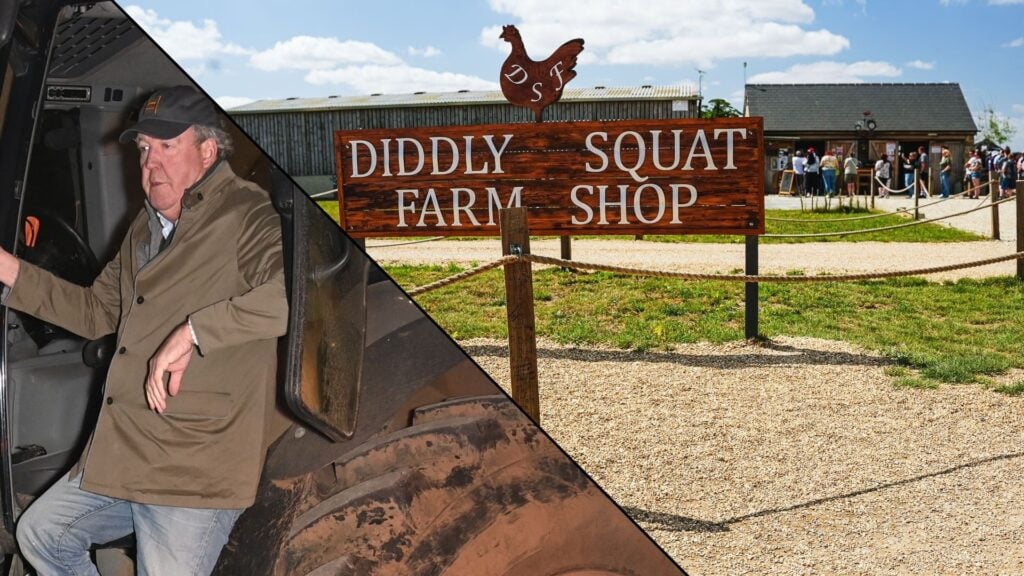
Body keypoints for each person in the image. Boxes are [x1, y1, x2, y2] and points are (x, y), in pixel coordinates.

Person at [0, 86, 288, 575]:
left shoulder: (247, 213)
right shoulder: (146, 227)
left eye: (167, 146)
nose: (151, 162)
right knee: (43, 534)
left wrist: (193, 332)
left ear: (208, 150)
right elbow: (95, 310)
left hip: (193, 465)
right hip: (130, 451)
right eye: (143, 149)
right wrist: (9, 270)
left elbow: (289, 297)